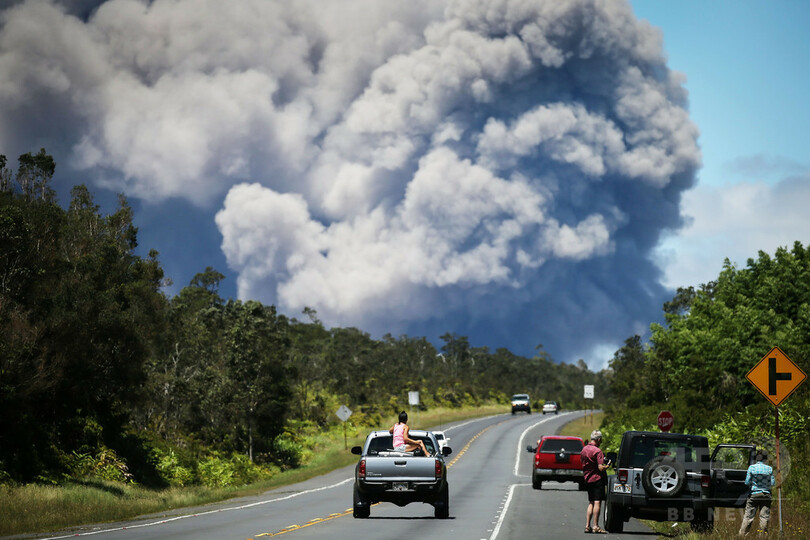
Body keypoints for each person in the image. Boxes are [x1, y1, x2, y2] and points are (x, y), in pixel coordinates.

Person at [739, 448, 775, 536]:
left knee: (748, 517)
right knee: (764, 517)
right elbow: (773, 483)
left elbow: (747, 482)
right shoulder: (769, 469)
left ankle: (742, 536)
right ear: (765, 459)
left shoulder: (752, 468)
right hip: (766, 495)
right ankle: (762, 536)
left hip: (754, 495)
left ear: (756, 458)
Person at [581, 429, 610, 534]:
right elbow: (600, 468)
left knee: (591, 502)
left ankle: (587, 525)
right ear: (598, 439)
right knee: (597, 502)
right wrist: (607, 465)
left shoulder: (584, 450)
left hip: (587, 478)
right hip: (597, 479)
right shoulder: (598, 451)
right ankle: (596, 526)